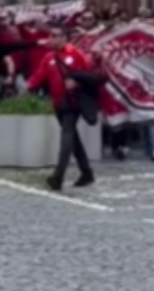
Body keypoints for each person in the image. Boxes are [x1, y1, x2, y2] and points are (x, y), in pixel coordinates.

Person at [27, 26, 94, 191]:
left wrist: (77, 83)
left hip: (72, 103)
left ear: (64, 37)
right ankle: (87, 173)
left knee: (66, 138)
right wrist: (28, 86)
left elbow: (90, 76)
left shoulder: (76, 54)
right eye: (51, 36)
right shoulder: (49, 57)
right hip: (58, 103)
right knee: (73, 139)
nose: (52, 39)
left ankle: (58, 177)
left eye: (56, 36)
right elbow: (39, 75)